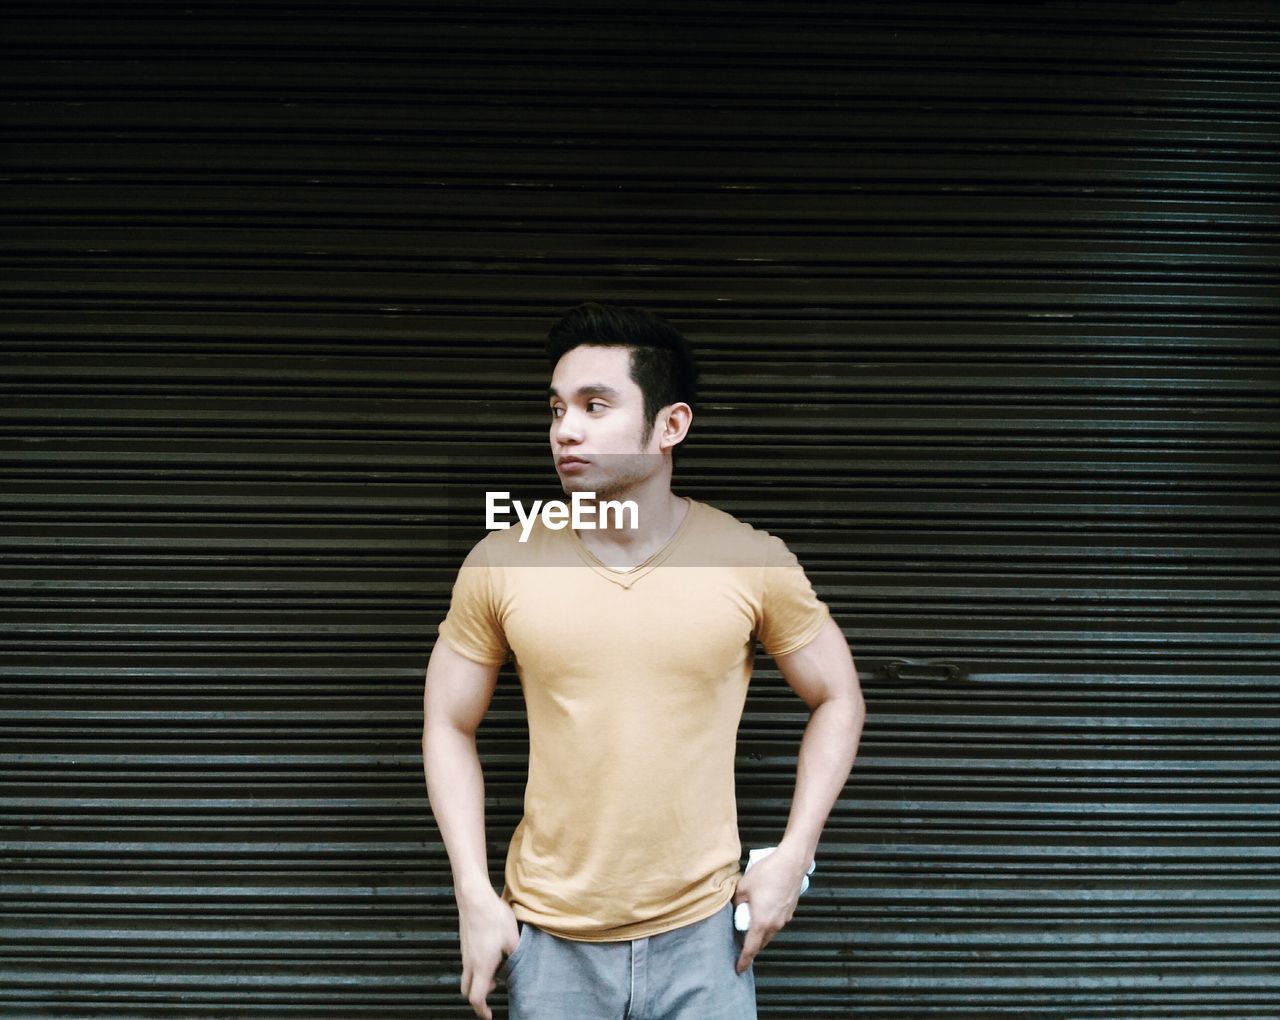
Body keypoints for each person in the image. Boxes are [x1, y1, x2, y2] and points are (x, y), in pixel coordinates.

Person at [423, 302, 865, 1019]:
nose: (565, 429)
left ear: (671, 426)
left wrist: (793, 860)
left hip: (706, 941)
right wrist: (472, 891)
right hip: (553, 942)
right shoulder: (502, 560)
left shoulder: (749, 559)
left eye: (596, 406)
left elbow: (839, 698)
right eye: (558, 407)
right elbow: (447, 721)